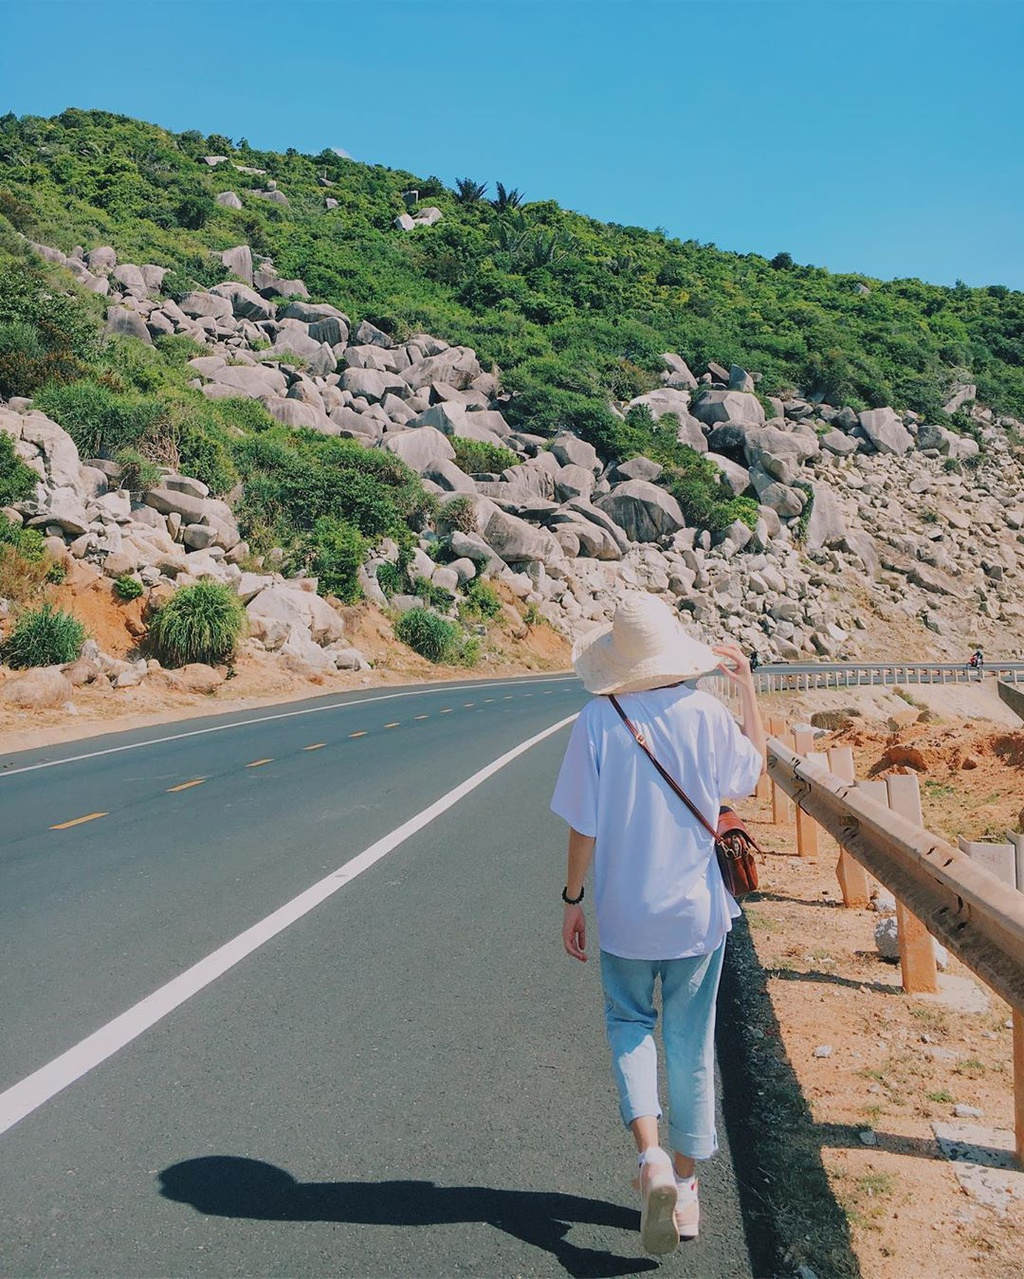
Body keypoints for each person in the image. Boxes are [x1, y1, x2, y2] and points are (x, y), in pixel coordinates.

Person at [551, 593, 765, 1256]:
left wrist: (572, 899)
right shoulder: (706, 712)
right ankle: (689, 1188)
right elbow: (751, 774)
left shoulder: (596, 718)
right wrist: (748, 688)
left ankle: (650, 1159)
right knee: (690, 1043)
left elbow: (582, 825)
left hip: (625, 916)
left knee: (628, 1025)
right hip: (696, 916)